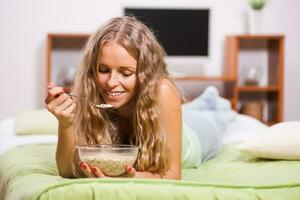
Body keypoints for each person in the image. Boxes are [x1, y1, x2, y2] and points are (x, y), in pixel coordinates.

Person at [45, 16, 182, 179]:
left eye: (126, 73)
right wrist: (66, 124)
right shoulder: (90, 93)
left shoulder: (162, 90)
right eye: (103, 70)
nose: (111, 82)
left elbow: (173, 175)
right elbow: (66, 171)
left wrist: (123, 179)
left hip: (191, 140)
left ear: (145, 75)